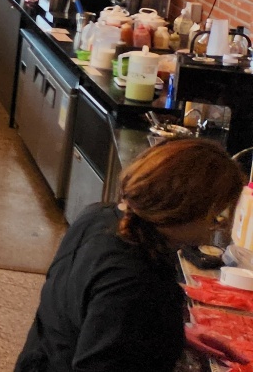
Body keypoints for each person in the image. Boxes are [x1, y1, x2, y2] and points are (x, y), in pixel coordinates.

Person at [16, 139, 245, 372]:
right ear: (182, 210)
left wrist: (168, 334)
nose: (213, 231)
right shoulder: (136, 282)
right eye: (215, 217)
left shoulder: (99, 215)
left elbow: (93, 318)